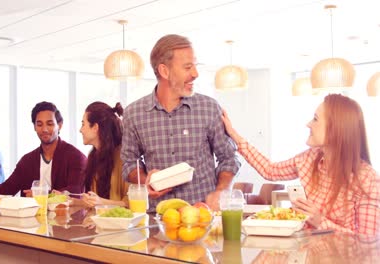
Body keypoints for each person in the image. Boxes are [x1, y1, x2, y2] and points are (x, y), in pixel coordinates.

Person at [222, 94, 380, 235]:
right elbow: (270, 170)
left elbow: (367, 242)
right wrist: (234, 135)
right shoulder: (310, 158)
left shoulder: (367, 179)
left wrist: (320, 221)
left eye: (316, 119)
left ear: (336, 129)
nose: (308, 124)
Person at [121, 34, 241, 211]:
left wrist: (220, 192)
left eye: (195, 66)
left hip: (202, 217)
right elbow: (130, 161)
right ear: (164, 71)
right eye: (187, 67)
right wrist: (144, 179)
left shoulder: (209, 108)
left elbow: (229, 158)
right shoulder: (133, 113)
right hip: (157, 218)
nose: (195, 74)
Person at [0, 101, 87, 196]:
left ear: (59, 125)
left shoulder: (76, 157)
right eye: (39, 124)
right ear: (34, 127)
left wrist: (41, 194)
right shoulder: (27, 161)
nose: (44, 129)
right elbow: (7, 188)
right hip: (33, 211)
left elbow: (76, 191)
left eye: (50, 124)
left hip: (64, 210)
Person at [77, 101, 129, 207]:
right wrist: (70, 201)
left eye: (83, 124)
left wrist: (101, 203)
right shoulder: (94, 156)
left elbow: (132, 203)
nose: (80, 130)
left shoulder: (123, 157)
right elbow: (94, 201)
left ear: (95, 127)